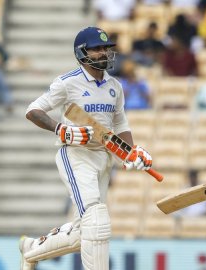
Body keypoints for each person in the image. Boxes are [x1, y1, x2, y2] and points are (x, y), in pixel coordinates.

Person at [19, 26, 153, 270]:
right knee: (97, 220)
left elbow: (120, 123)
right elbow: (32, 111)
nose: (104, 53)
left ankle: (31, 250)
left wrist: (130, 153)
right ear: (82, 53)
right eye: (97, 49)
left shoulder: (115, 86)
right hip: (75, 155)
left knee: (87, 229)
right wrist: (62, 129)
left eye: (106, 48)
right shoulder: (67, 84)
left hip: (103, 158)